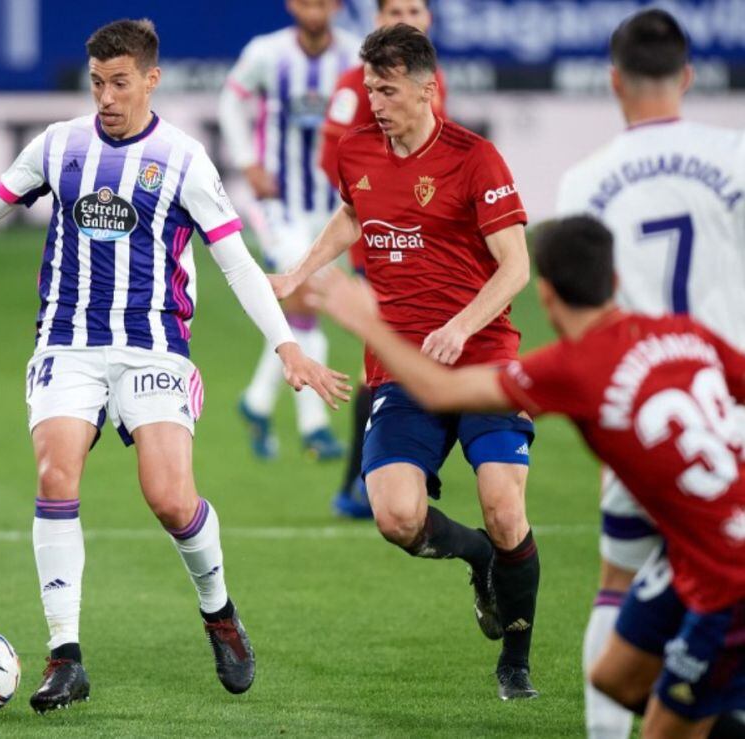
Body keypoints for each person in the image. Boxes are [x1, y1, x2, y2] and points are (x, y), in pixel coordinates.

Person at [0, 18, 349, 713]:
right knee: (55, 473)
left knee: (171, 498)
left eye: (119, 83)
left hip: (153, 344)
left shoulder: (183, 158)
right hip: (68, 341)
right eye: (96, 83)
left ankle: (219, 612)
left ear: (151, 79)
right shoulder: (59, 145)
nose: (106, 97)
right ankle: (65, 656)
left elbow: (233, 258)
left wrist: (285, 343)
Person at [311, 215, 745, 739]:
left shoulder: (574, 368)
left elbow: (443, 393)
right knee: (613, 678)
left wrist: (368, 323)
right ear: (614, 281)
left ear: (545, 295)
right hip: (694, 552)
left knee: (668, 725)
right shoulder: (685, 334)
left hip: (726, 574)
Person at [271, 23, 540, 699]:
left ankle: (516, 658)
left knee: (505, 508)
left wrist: (461, 324)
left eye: (388, 90)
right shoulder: (358, 150)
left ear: (428, 89)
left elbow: (515, 268)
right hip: (397, 366)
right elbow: (352, 216)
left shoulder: (476, 159)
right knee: (393, 515)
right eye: (369, 88)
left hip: (480, 359)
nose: (375, 103)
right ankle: (476, 556)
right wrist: (297, 270)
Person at [555, 9, 745, 737]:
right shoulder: (732, 156)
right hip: (727, 404)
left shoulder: (582, 183)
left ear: (614, 82)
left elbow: (577, 308)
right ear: (688, 77)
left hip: (641, 410)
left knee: (619, 582)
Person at [318, 0, 447, 519]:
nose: (407, 16)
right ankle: (359, 480)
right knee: (383, 357)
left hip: (428, 249)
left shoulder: (432, 81)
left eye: (416, 8)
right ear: (375, 19)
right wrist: (382, 207)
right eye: (396, 8)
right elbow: (333, 158)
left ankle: (397, 469)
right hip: (382, 245)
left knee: (413, 354)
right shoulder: (355, 85)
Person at [218, 0, 361, 461]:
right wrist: (247, 162)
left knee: (308, 303)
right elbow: (229, 101)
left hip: (334, 206)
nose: (314, 8)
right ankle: (314, 424)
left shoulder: (355, 57)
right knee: (304, 297)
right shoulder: (267, 53)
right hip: (281, 204)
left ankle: (257, 404)